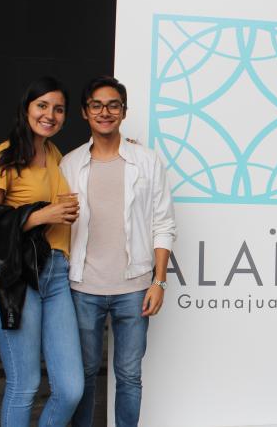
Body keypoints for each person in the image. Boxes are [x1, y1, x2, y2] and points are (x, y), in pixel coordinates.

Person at [60, 76, 176, 427]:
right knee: (82, 376)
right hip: (83, 289)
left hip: (134, 289)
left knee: (129, 376)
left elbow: (163, 224)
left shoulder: (147, 161)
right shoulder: (69, 164)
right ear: (85, 112)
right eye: (96, 105)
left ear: (124, 112)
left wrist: (159, 281)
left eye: (113, 105)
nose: (105, 112)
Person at [0, 76, 84, 427]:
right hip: (16, 279)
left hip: (56, 275)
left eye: (59, 109)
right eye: (42, 105)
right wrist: (41, 216)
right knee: (24, 385)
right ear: (26, 108)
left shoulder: (55, 155)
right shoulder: (4, 155)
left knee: (70, 389)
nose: (50, 115)